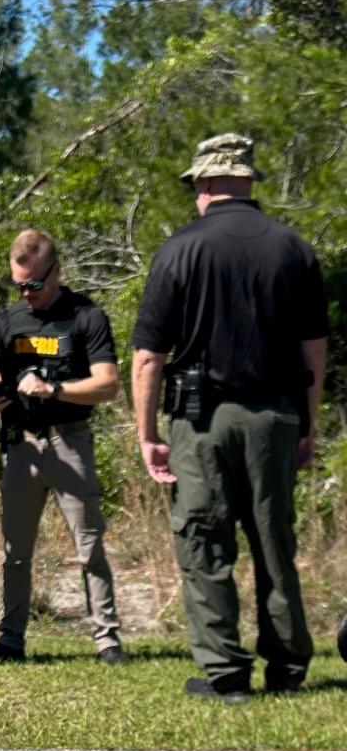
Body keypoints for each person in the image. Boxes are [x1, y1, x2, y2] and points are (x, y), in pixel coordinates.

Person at [131, 133, 328, 702]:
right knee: (274, 543)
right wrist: (307, 426)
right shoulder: (293, 247)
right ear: (246, 181)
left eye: (194, 186)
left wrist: (148, 435)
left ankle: (225, 673)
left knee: (204, 543)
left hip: (201, 421)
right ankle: (288, 669)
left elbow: (148, 357)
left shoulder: (178, 250)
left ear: (208, 182)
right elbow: (314, 349)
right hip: (276, 415)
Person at [0, 229, 128, 665]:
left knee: (90, 546)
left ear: (57, 271)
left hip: (69, 442)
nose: (27, 294)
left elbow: (108, 385)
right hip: (19, 447)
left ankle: (107, 640)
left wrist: (53, 389)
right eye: (19, 285)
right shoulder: (6, 323)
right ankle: (10, 640)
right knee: (15, 551)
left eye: (35, 285)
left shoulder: (87, 317)